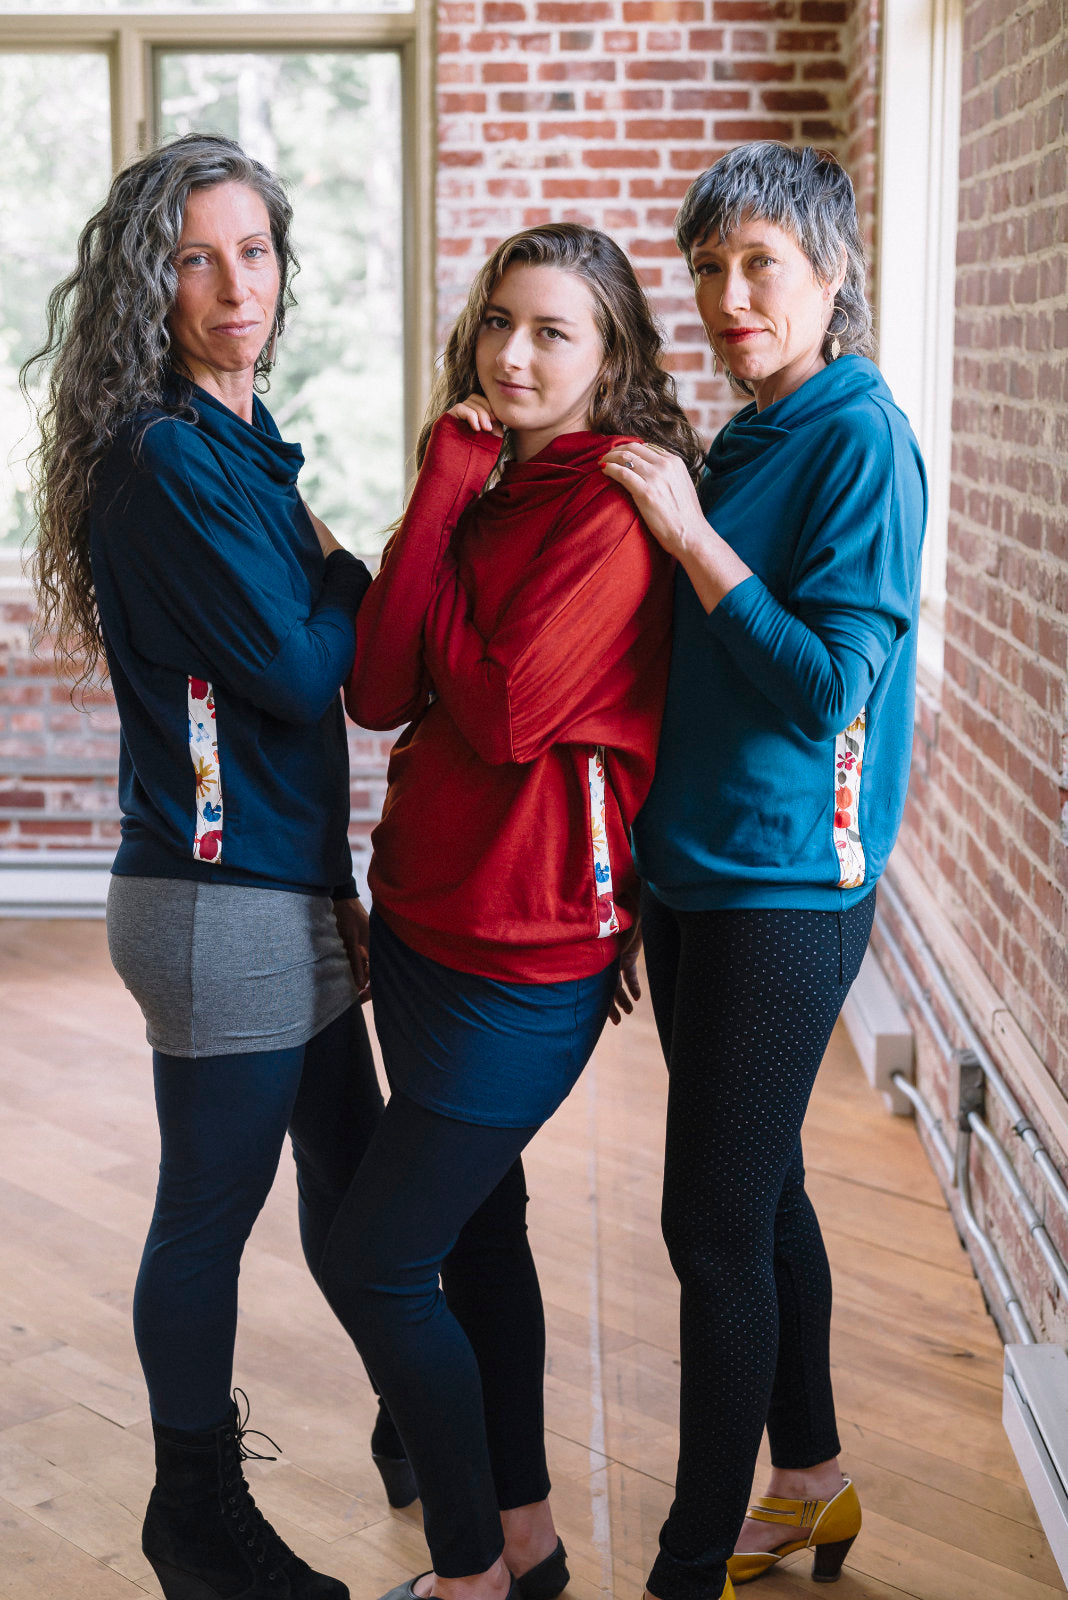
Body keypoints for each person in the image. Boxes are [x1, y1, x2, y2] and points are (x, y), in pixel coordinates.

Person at [27, 132, 408, 1600]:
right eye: (196, 255)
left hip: (278, 888)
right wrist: (339, 570)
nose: (233, 282)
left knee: (352, 1172)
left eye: (254, 251)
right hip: (214, 902)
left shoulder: (240, 441)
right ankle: (193, 1512)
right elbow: (312, 665)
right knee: (209, 1211)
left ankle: (413, 1432)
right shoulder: (170, 460)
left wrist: (338, 892)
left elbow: (310, 680)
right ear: (151, 281)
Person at [327, 222, 704, 1600]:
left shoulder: (611, 506)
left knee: (376, 1262)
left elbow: (498, 709)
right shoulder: (476, 483)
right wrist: (438, 489)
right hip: (422, 926)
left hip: (530, 952)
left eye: (554, 331)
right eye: (500, 323)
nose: (516, 353)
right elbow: (375, 693)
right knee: (480, 1231)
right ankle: (528, 1543)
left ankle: (470, 1566)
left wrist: (437, 576)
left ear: (611, 362)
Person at [600, 142, 927, 1600]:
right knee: (765, 1183)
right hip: (695, 877)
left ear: (832, 273)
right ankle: (809, 1488)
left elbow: (826, 694)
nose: (733, 298)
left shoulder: (861, 438)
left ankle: (685, 1566)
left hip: (792, 888)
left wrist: (688, 534)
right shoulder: (747, 435)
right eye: (711, 269)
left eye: (763, 266)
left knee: (709, 1220)